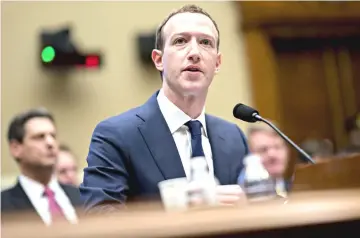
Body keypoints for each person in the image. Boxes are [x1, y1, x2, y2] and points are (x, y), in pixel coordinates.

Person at [80, 4, 248, 213]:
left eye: (205, 42)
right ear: (158, 60)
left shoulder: (233, 137)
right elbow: (98, 215)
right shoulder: (116, 135)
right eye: (180, 41)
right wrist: (179, 205)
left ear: (217, 63)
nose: (194, 52)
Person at [1, 108, 83, 225]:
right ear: (16, 148)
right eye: (39, 137)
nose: (50, 143)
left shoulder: (82, 196)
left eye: (53, 136)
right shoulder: (3, 205)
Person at [238, 123, 291, 193]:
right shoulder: (241, 194)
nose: (272, 155)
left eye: (277, 147)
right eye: (263, 149)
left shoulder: (298, 188)